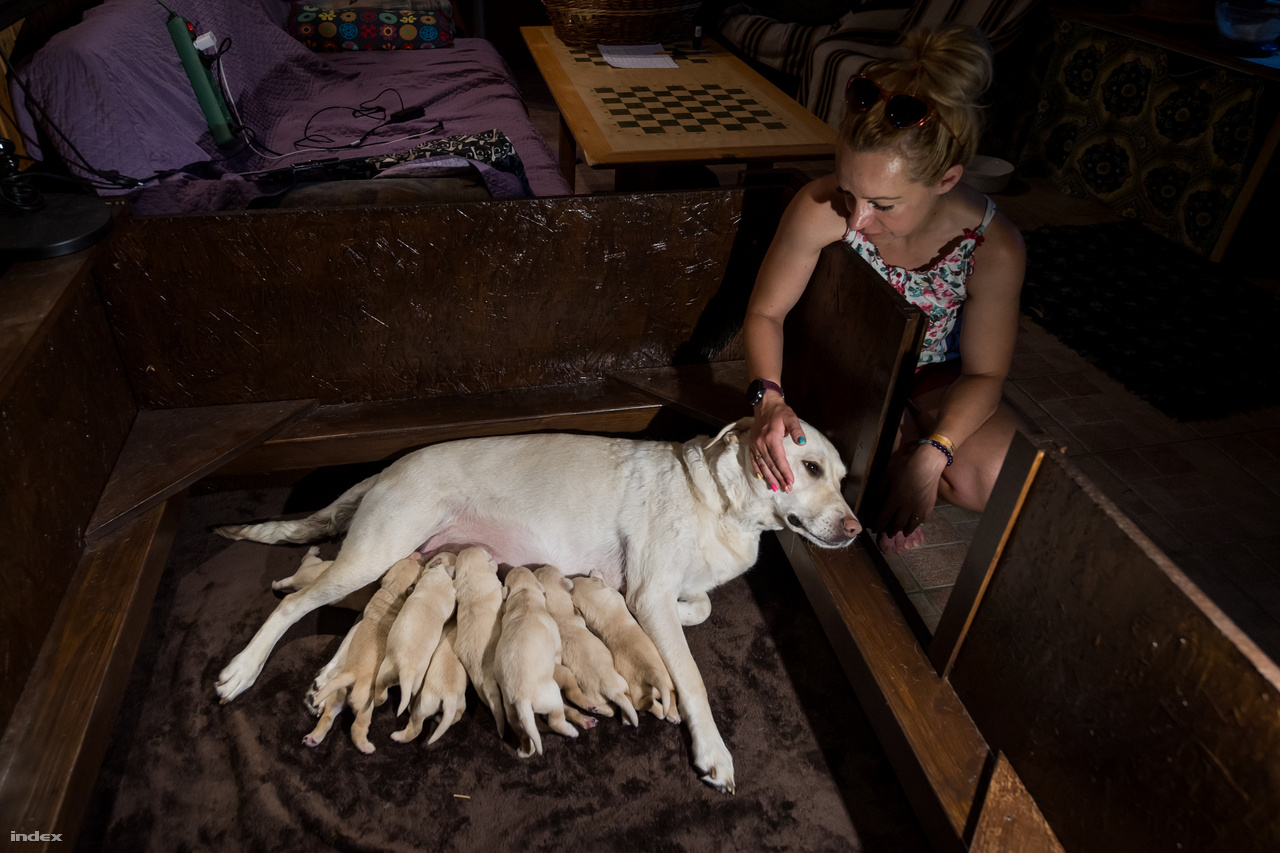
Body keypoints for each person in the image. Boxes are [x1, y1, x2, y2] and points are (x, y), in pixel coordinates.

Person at [743, 25, 1026, 555]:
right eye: (849, 192)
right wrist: (769, 399)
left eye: (883, 204)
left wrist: (931, 456)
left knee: (993, 478)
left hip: (933, 376)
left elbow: (987, 373)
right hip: (848, 366)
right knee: (858, 474)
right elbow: (766, 314)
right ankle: (888, 466)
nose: (855, 220)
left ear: (946, 180)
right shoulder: (818, 208)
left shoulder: (994, 245)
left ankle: (906, 462)